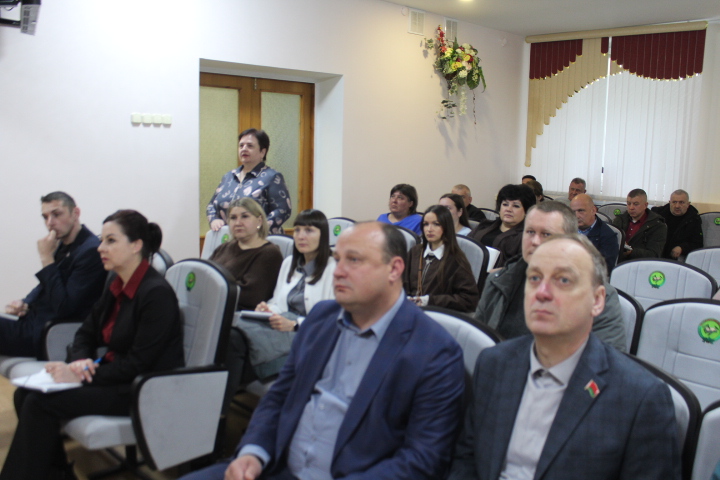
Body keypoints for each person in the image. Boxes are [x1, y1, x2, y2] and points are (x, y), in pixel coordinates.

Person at [181, 222, 465, 480]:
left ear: (394, 269)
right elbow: (280, 395)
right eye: (337, 259)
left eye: (354, 260)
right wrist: (253, 451)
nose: (338, 271)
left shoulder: (434, 351)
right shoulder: (322, 318)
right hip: (276, 465)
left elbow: (423, 460)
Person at [450, 234, 680, 480]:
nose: (542, 292)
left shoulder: (641, 397)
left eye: (563, 280)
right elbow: (467, 459)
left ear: (597, 300)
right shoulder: (494, 362)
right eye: (534, 278)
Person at [0, 210, 184, 480]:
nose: (100, 248)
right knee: (24, 395)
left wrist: (81, 375)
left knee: (39, 403)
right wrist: (80, 362)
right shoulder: (116, 282)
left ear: (136, 245)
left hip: (141, 388)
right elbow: (85, 333)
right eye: (101, 240)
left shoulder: (156, 294)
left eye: (111, 240)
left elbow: (139, 364)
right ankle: (54, 473)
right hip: (114, 375)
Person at [474, 201, 626, 351]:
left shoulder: (596, 295)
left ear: (570, 240)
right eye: (530, 232)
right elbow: (479, 342)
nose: (535, 241)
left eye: (546, 234)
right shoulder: (498, 280)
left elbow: (608, 360)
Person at [229, 209, 336, 390]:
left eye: (309, 230)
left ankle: (223, 398)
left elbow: (331, 321)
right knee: (232, 331)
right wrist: (267, 309)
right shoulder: (289, 263)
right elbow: (278, 302)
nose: (301, 236)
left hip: (306, 333)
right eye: (297, 230)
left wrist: (294, 325)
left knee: (235, 340)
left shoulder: (334, 269)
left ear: (323, 236)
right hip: (280, 324)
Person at [1, 191, 106, 357]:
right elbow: (44, 287)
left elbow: (64, 307)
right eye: (45, 217)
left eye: (56, 214)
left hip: (48, 334)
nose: (50, 223)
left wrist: (46, 259)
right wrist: (25, 303)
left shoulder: (91, 251)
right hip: (32, 323)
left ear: (75, 213)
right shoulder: (63, 245)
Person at [206, 128, 292, 235]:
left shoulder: (272, 177)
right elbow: (211, 205)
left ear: (262, 152)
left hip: (260, 239)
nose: (244, 149)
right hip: (227, 238)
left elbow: (282, 210)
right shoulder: (228, 177)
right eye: (241, 146)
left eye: (250, 146)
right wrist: (214, 220)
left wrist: (258, 229)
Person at [209, 197, 284, 311]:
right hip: (212, 306)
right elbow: (205, 275)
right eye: (233, 218)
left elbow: (250, 296)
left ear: (259, 221)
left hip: (237, 315)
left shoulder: (269, 254)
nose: (238, 223)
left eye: (245, 216)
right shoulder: (224, 248)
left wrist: (210, 288)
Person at [404, 205, 480, 313]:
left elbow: (469, 300)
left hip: (436, 314)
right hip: (410, 311)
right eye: (426, 224)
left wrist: (430, 301)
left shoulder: (456, 259)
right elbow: (401, 284)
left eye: (436, 224)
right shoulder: (415, 252)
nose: (429, 229)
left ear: (446, 227)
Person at [470, 184, 536, 268]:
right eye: (505, 204)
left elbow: (523, 268)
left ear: (527, 211)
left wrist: (502, 271)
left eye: (516, 206)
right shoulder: (484, 225)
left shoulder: (527, 236)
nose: (508, 209)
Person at [612, 188, 667, 262]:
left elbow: (654, 254)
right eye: (629, 204)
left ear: (645, 205)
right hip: (617, 262)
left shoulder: (657, 225)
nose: (631, 208)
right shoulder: (619, 220)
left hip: (640, 264)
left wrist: (631, 252)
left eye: (636, 204)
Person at [571, 193, 620, 272]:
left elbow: (605, 269)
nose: (577, 216)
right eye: (573, 212)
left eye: (581, 211)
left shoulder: (608, 236)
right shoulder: (566, 230)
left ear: (593, 210)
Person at [651, 189, 703, 259]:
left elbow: (697, 244)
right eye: (674, 202)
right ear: (670, 203)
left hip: (677, 258)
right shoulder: (658, 215)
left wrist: (682, 248)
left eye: (681, 202)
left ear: (688, 204)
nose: (677, 206)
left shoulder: (693, 219)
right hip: (656, 253)